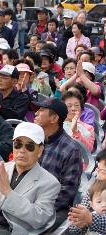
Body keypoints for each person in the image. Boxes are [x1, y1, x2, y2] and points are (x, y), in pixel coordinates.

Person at [0, 122, 61, 234]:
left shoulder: (49, 183)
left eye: (30, 146)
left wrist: (9, 193)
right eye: (18, 144)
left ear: (40, 151)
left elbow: (39, 219)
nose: (22, 150)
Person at [33, 97, 82, 231]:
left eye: (42, 110)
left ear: (54, 119)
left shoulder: (71, 149)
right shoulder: (32, 141)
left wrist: (39, 210)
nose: (36, 113)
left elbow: (67, 191)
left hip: (53, 208)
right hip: (28, 201)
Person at [68, 149, 106, 234]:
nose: (98, 176)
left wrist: (90, 218)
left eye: (103, 172)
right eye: (98, 170)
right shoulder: (94, 188)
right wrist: (79, 222)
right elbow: (74, 227)